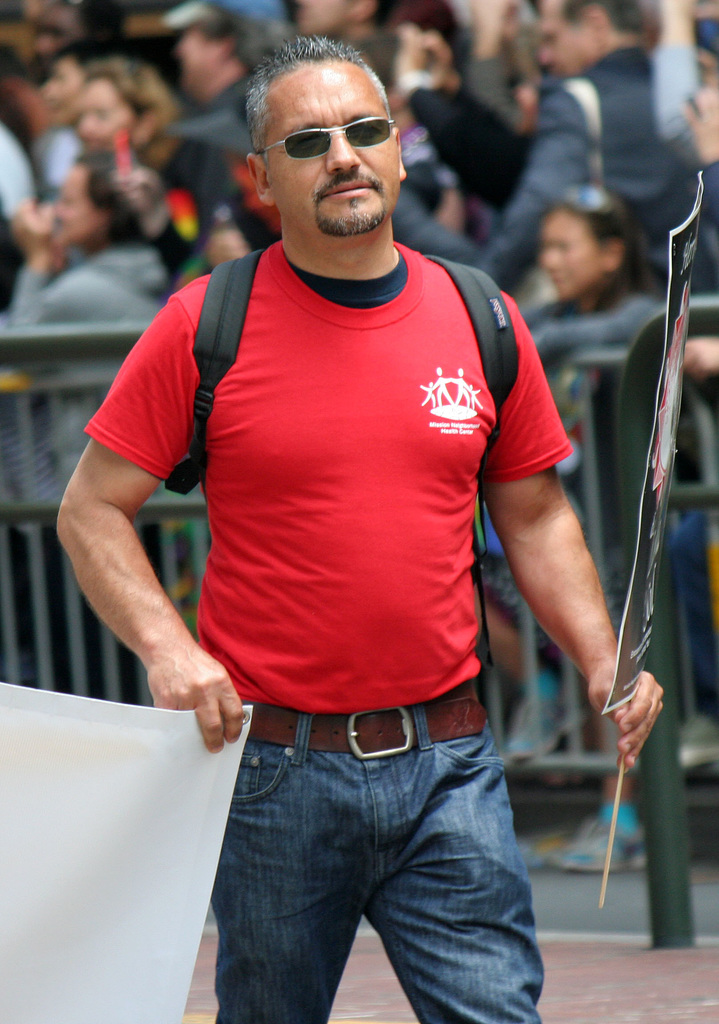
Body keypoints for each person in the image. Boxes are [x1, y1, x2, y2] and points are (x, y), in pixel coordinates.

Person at [57, 35, 663, 1024]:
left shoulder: (479, 314)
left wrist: (600, 658)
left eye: (364, 130)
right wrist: (168, 651)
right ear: (259, 177)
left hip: (451, 766)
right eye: (308, 141)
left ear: (397, 152)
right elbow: (90, 508)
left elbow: (535, 510)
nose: (342, 154)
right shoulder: (202, 323)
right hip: (272, 770)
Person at [479, 0, 717, 293]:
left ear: (596, 24)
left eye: (552, 37)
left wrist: (477, 295)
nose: (545, 56)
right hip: (700, 301)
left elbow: (532, 211)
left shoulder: (574, 102)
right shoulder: (700, 94)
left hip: (631, 318)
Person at [6, 150, 168, 325]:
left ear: (105, 213)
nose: (55, 210)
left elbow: (16, 341)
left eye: (68, 201)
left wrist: (37, 259)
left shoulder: (81, 290)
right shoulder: (144, 267)